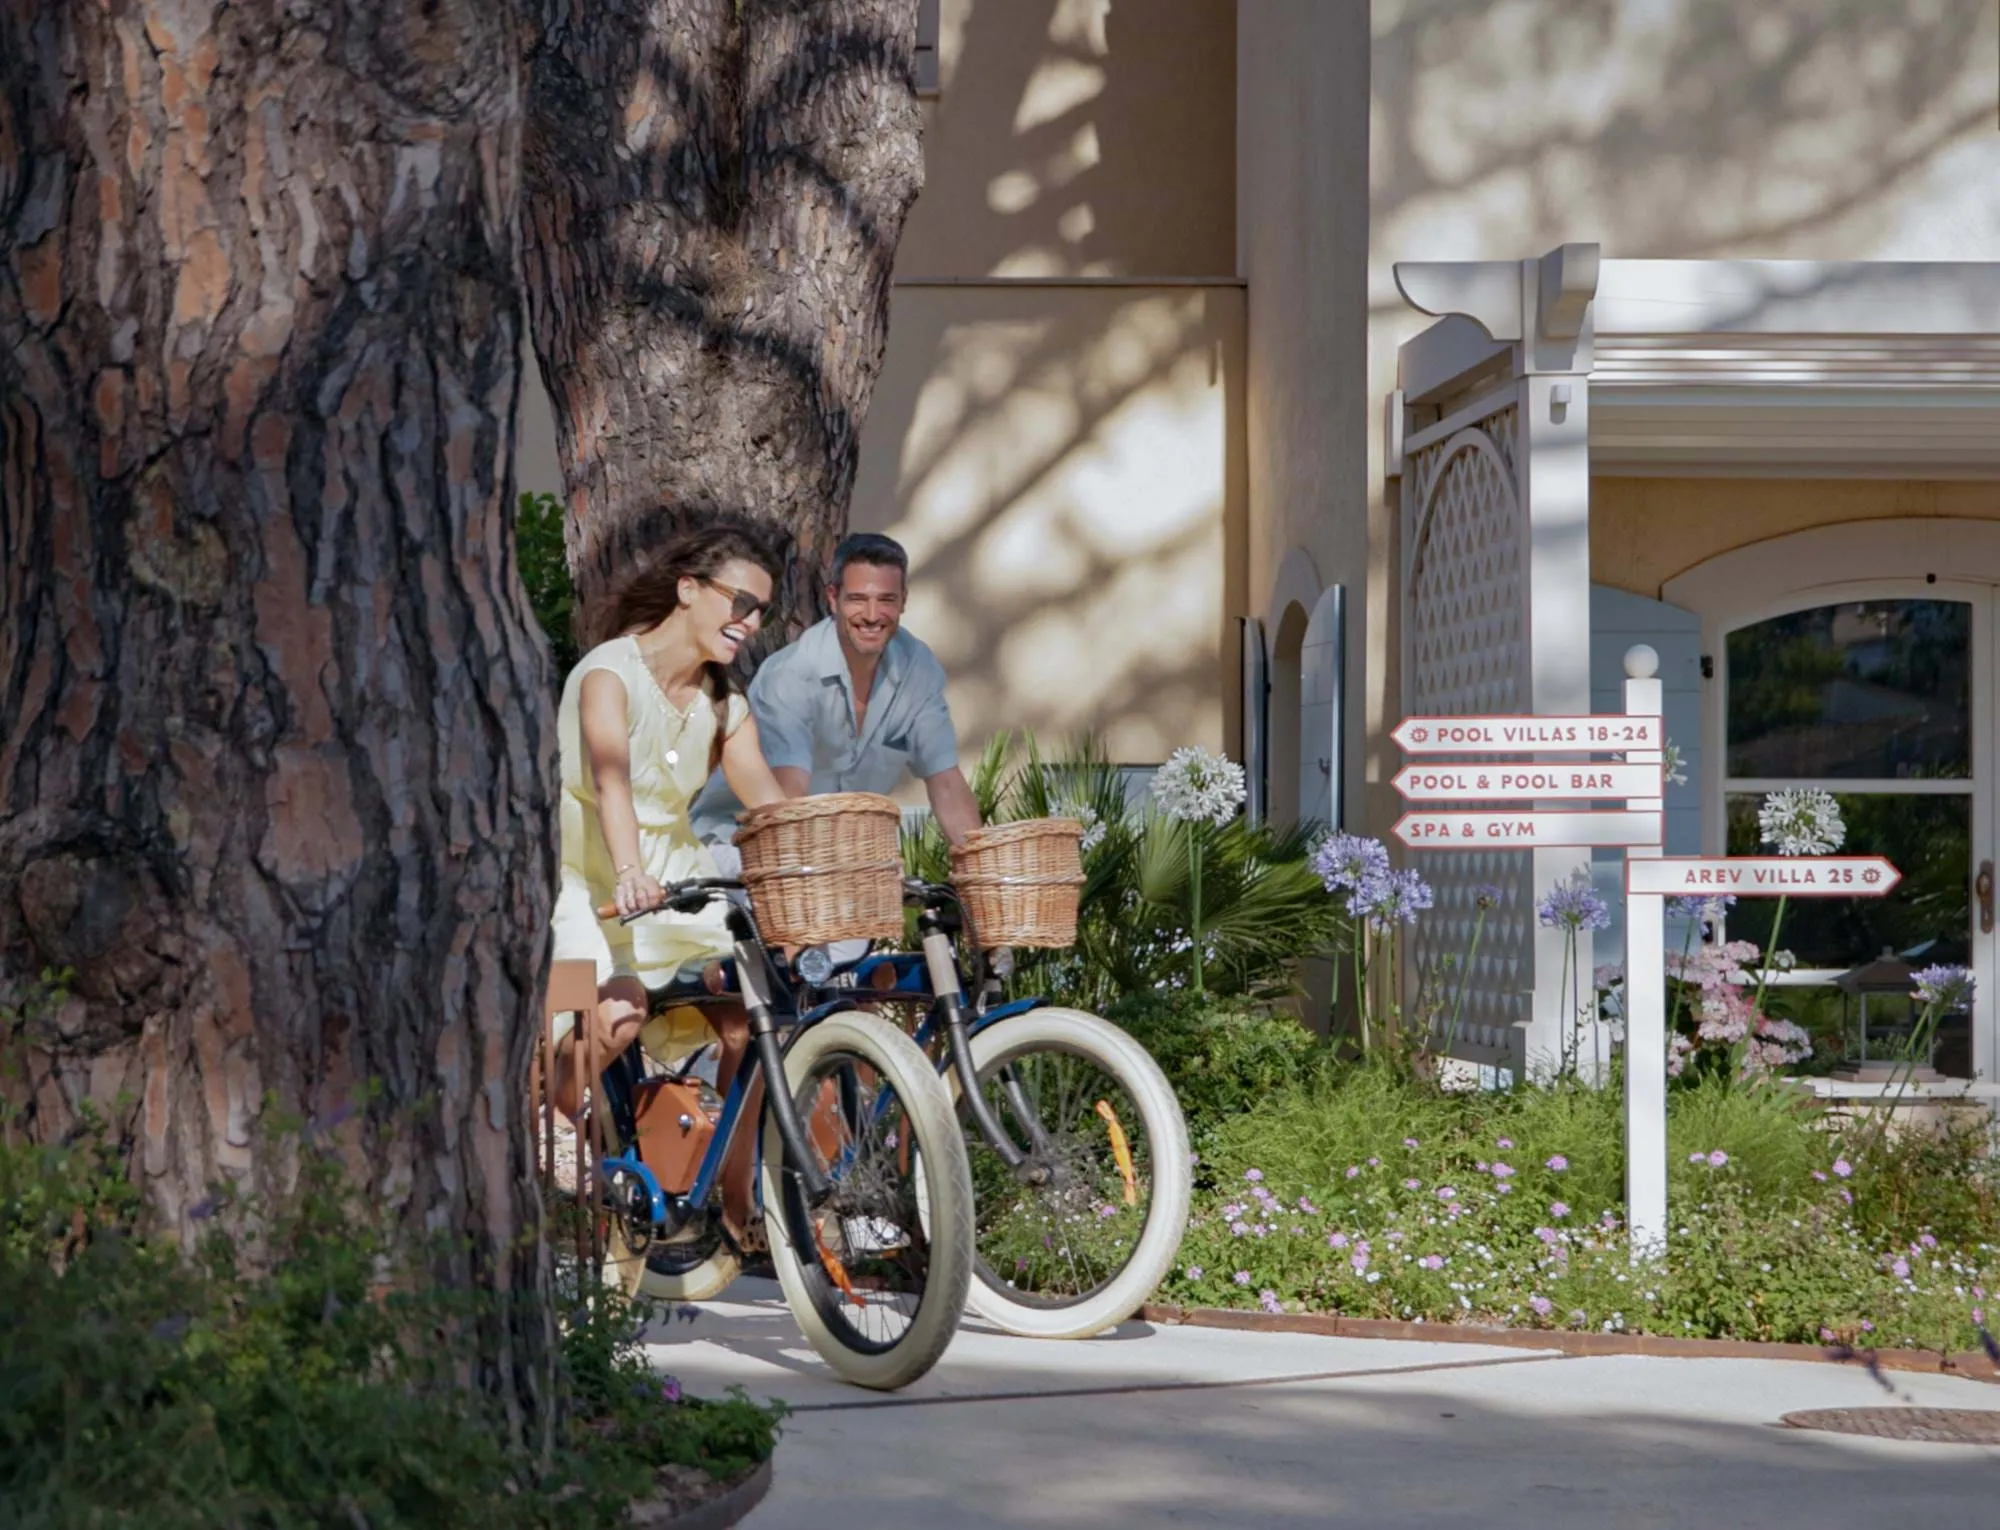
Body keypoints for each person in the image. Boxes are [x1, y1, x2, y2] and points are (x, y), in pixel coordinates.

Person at [548, 520, 790, 1123]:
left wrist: (824, 861)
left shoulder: (725, 704)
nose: (751, 622)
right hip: (586, 878)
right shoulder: (609, 673)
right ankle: (537, 1124)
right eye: (741, 602)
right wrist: (630, 872)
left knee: (750, 1014)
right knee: (617, 1016)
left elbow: (770, 807)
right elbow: (612, 784)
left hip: (677, 884)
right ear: (688, 590)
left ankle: (730, 1175)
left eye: (761, 612)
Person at [693, 532, 982, 869]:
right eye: (858, 599)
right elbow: (787, 802)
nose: (872, 615)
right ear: (833, 598)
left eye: (886, 600)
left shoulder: (917, 667)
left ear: (903, 600)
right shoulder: (793, 674)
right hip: (739, 843)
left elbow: (946, 783)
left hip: (838, 853)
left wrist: (979, 870)